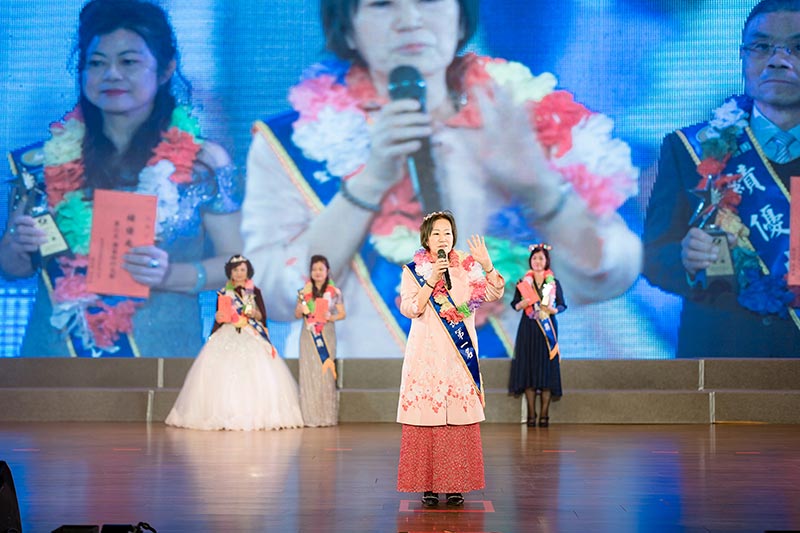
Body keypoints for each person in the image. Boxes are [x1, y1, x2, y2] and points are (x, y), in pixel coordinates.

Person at [242, 0, 642, 359]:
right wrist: (369, 184)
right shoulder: (298, 142)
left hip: (510, 397)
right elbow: (272, 295)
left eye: (430, 0)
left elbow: (613, 272)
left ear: (461, 15)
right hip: (362, 399)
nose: (410, 19)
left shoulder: (523, 121)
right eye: (382, 4)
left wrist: (539, 188)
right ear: (347, 28)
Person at [0, 0, 242, 358]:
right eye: (97, 63)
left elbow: (240, 266)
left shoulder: (203, 162)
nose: (111, 74)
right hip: (55, 361)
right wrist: (16, 247)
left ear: (166, 69)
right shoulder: (45, 162)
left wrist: (171, 275)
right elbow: (15, 268)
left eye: (128, 62)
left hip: (160, 360)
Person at [643, 0, 800, 358]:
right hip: (721, 359)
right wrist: (685, 259)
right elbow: (653, 257)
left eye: (797, 47)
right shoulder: (689, 149)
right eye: (762, 46)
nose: (778, 60)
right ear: (743, 57)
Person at [396, 211, 504, 507]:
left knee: (458, 420)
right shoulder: (413, 271)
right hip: (427, 355)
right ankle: (427, 486)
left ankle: (456, 484)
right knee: (427, 418)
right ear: (426, 239)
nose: (443, 238)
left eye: (447, 233)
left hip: (458, 357)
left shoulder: (467, 268)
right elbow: (410, 308)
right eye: (436, 233)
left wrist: (487, 265)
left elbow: (493, 293)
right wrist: (431, 280)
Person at [166, 255, 303, 431]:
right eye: (235, 270)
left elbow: (262, 316)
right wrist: (219, 317)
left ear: (248, 272)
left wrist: (254, 313)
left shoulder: (255, 292)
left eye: (242, 270)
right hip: (227, 333)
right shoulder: (223, 293)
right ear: (230, 272)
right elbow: (219, 317)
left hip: (250, 333)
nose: (239, 273)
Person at [508, 244, 566, 428]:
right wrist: (523, 303)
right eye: (534, 258)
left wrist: (553, 309)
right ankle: (531, 414)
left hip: (547, 328)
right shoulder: (523, 283)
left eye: (541, 258)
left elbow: (562, 305)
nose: (538, 261)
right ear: (530, 261)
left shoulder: (553, 283)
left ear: (547, 260)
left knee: (547, 370)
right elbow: (514, 304)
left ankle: (544, 414)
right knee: (529, 370)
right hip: (528, 329)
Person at [294, 254, 345, 427]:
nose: (317, 272)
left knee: (325, 372)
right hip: (308, 335)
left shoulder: (335, 292)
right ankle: (310, 417)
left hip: (327, 332)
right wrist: (300, 309)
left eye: (321, 269)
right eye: (314, 269)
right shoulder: (303, 292)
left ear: (327, 271)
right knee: (309, 372)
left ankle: (325, 416)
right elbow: (297, 314)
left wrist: (331, 316)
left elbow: (342, 313)